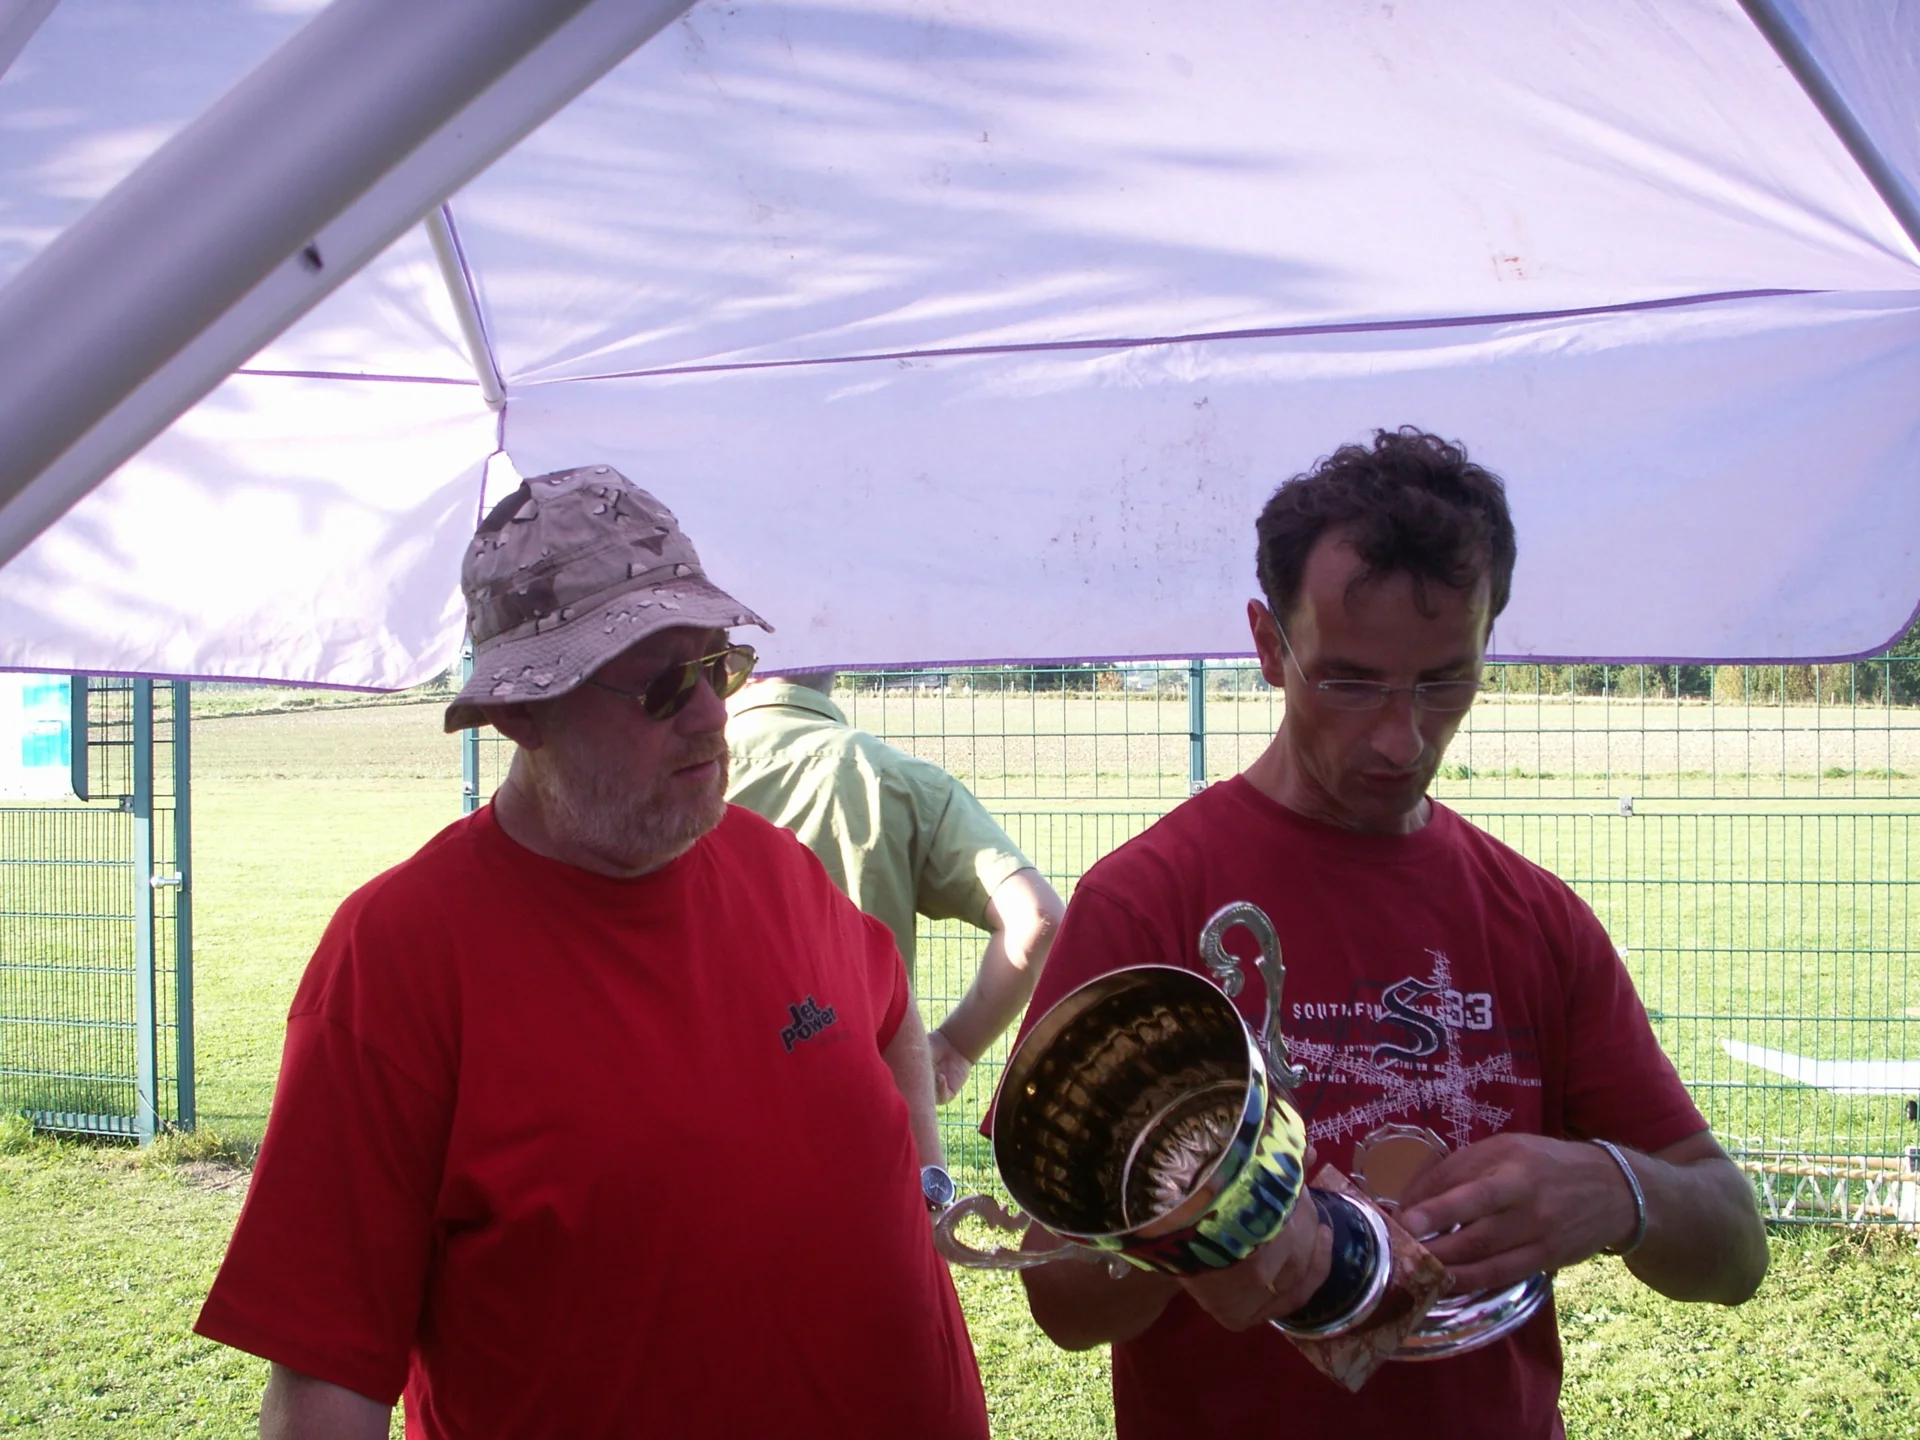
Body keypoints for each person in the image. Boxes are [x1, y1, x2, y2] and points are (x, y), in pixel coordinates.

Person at [194, 465, 990, 1440]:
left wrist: (929, 1185)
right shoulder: (398, 959)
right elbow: (327, 1386)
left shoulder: (777, 868)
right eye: (660, 686)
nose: (711, 715)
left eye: (716, 666)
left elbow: (891, 1012)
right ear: (522, 714)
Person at [1011, 428, 1768, 1438]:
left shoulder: (1536, 918)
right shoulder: (1149, 902)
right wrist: (1204, 1227)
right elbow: (1062, 1303)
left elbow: (1735, 1251)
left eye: (1445, 680)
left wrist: (1620, 1190)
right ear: (1269, 646)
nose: (1401, 738)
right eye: (1351, 681)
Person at [726, 671, 1065, 1103]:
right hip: (868, 1101)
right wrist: (956, 1045)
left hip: (713, 1095)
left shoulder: (682, 775)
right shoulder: (903, 781)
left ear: (739, 665)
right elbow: (1037, 917)